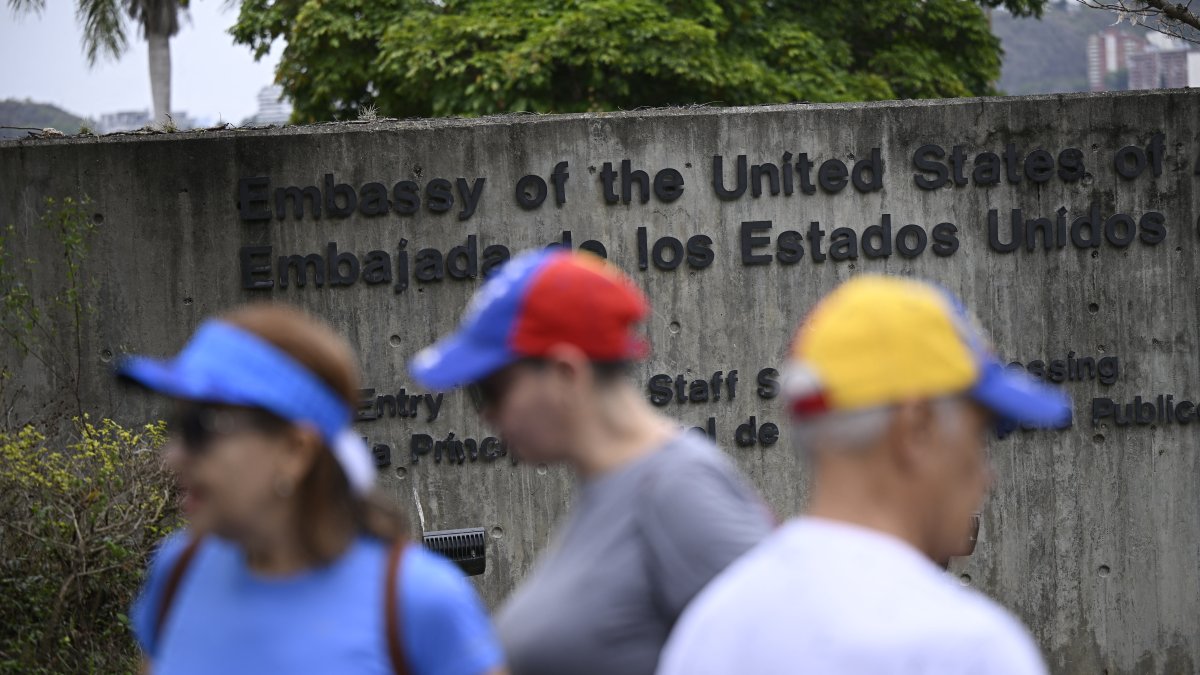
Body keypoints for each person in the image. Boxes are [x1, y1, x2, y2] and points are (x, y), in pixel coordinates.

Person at [657, 275, 1071, 675]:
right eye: (977, 438)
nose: (986, 476)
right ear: (917, 429)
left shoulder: (711, 628)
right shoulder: (967, 647)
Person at [408, 249, 774, 675]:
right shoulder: (611, 485)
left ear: (566, 373)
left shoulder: (679, 488)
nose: (484, 414)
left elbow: (785, 649)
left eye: (490, 390)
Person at [118, 304, 505, 675]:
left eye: (201, 427)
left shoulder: (419, 602)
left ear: (295, 451)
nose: (173, 456)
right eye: (175, 424)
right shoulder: (178, 571)